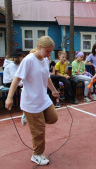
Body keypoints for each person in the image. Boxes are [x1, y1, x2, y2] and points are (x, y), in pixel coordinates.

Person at [5, 36, 59, 165]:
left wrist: (53, 90)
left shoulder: (45, 60)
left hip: (43, 99)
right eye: (47, 51)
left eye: (51, 51)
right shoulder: (28, 60)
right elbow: (16, 80)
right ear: (39, 47)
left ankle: (29, 118)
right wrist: (9, 98)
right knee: (39, 131)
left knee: (53, 118)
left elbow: (47, 78)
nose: (49, 54)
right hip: (31, 102)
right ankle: (36, 155)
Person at [3, 49, 26, 125]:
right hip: (9, 83)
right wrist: (23, 83)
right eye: (21, 57)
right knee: (25, 89)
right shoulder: (11, 66)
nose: (22, 58)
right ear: (16, 57)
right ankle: (25, 111)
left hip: (16, 83)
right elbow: (15, 79)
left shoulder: (17, 65)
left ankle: (26, 110)